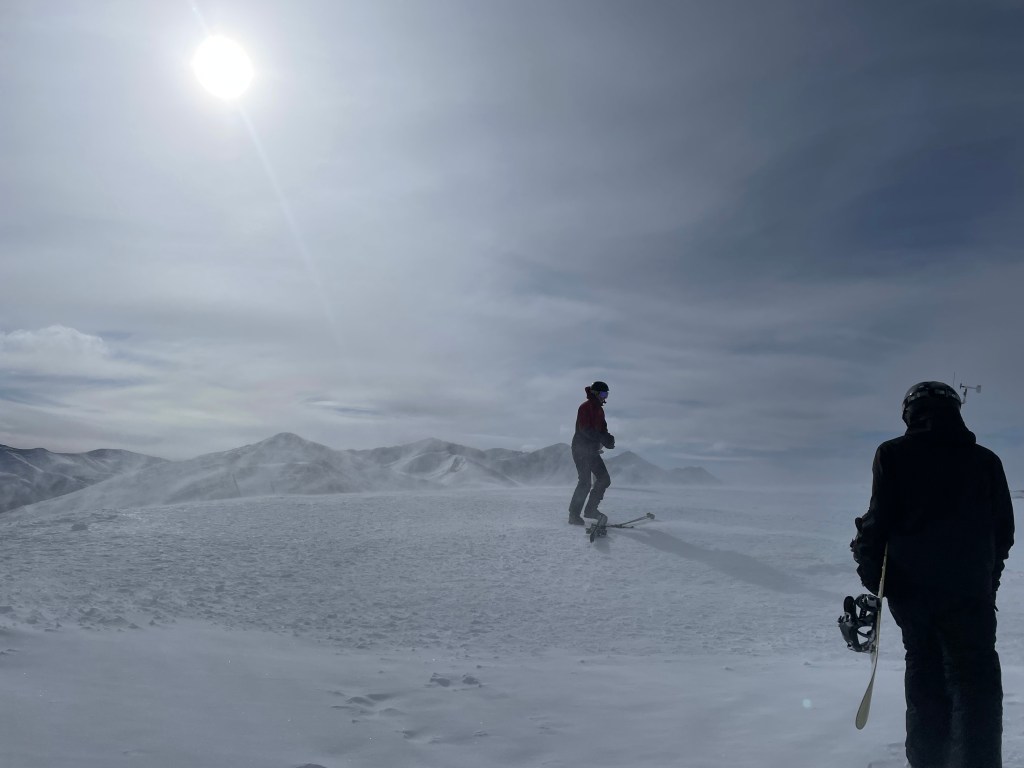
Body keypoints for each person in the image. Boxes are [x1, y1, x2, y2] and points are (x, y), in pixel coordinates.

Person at [851, 381, 1014, 768]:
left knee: (925, 677)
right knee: (975, 682)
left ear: (910, 412)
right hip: (970, 595)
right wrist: (987, 582)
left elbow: (878, 523)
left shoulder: (892, 454)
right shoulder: (986, 461)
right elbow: (1003, 533)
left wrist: (874, 576)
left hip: (914, 596)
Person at [568, 380, 615, 526]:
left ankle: (590, 510)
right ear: (595, 393)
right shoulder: (585, 407)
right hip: (580, 449)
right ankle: (574, 515)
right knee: (585, 482)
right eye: (603, 393)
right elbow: (585, 429)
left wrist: (608, 439)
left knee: (604, 479)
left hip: (592, 451)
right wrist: (601, 437)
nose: (605, 397)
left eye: (606, 394)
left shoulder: (600, 410)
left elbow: (602, 430)